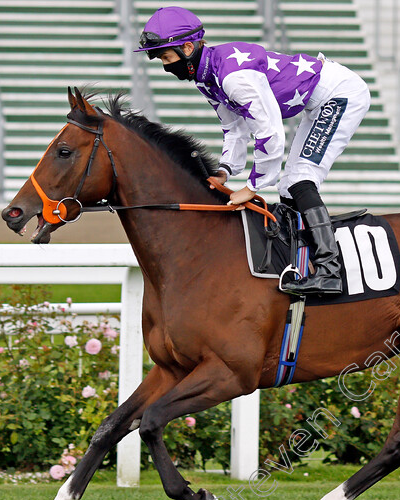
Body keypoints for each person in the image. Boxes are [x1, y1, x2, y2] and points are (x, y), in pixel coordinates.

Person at [136, 6, 372, 295]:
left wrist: (253, 185)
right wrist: (225, 171)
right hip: (316, 101)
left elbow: (270, 132)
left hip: (340, 94)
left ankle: (329, 271)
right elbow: (235, 128)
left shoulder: (233, 78)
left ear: (187, 47)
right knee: (289, 187)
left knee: (299, 179)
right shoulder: (206, 76)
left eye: (166, 56)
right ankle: (300, 262)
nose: (164, 64)